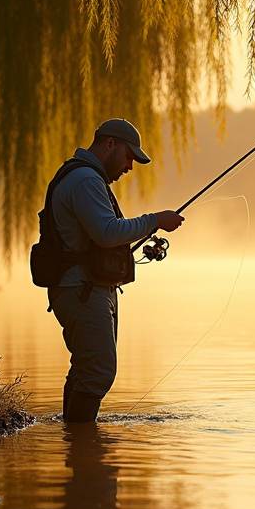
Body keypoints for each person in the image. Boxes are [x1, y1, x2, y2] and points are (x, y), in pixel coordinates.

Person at [47, 118, 184, 422]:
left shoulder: (86, 177)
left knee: (87, 368)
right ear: (110, 144)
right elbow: (107, 232)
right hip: (82, 290)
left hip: (87, 287)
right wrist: (155, 220)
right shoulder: (85, 180)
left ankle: (74, 439)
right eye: (128, 156)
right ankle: (80, 437)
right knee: (99, 371)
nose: (130, 167)